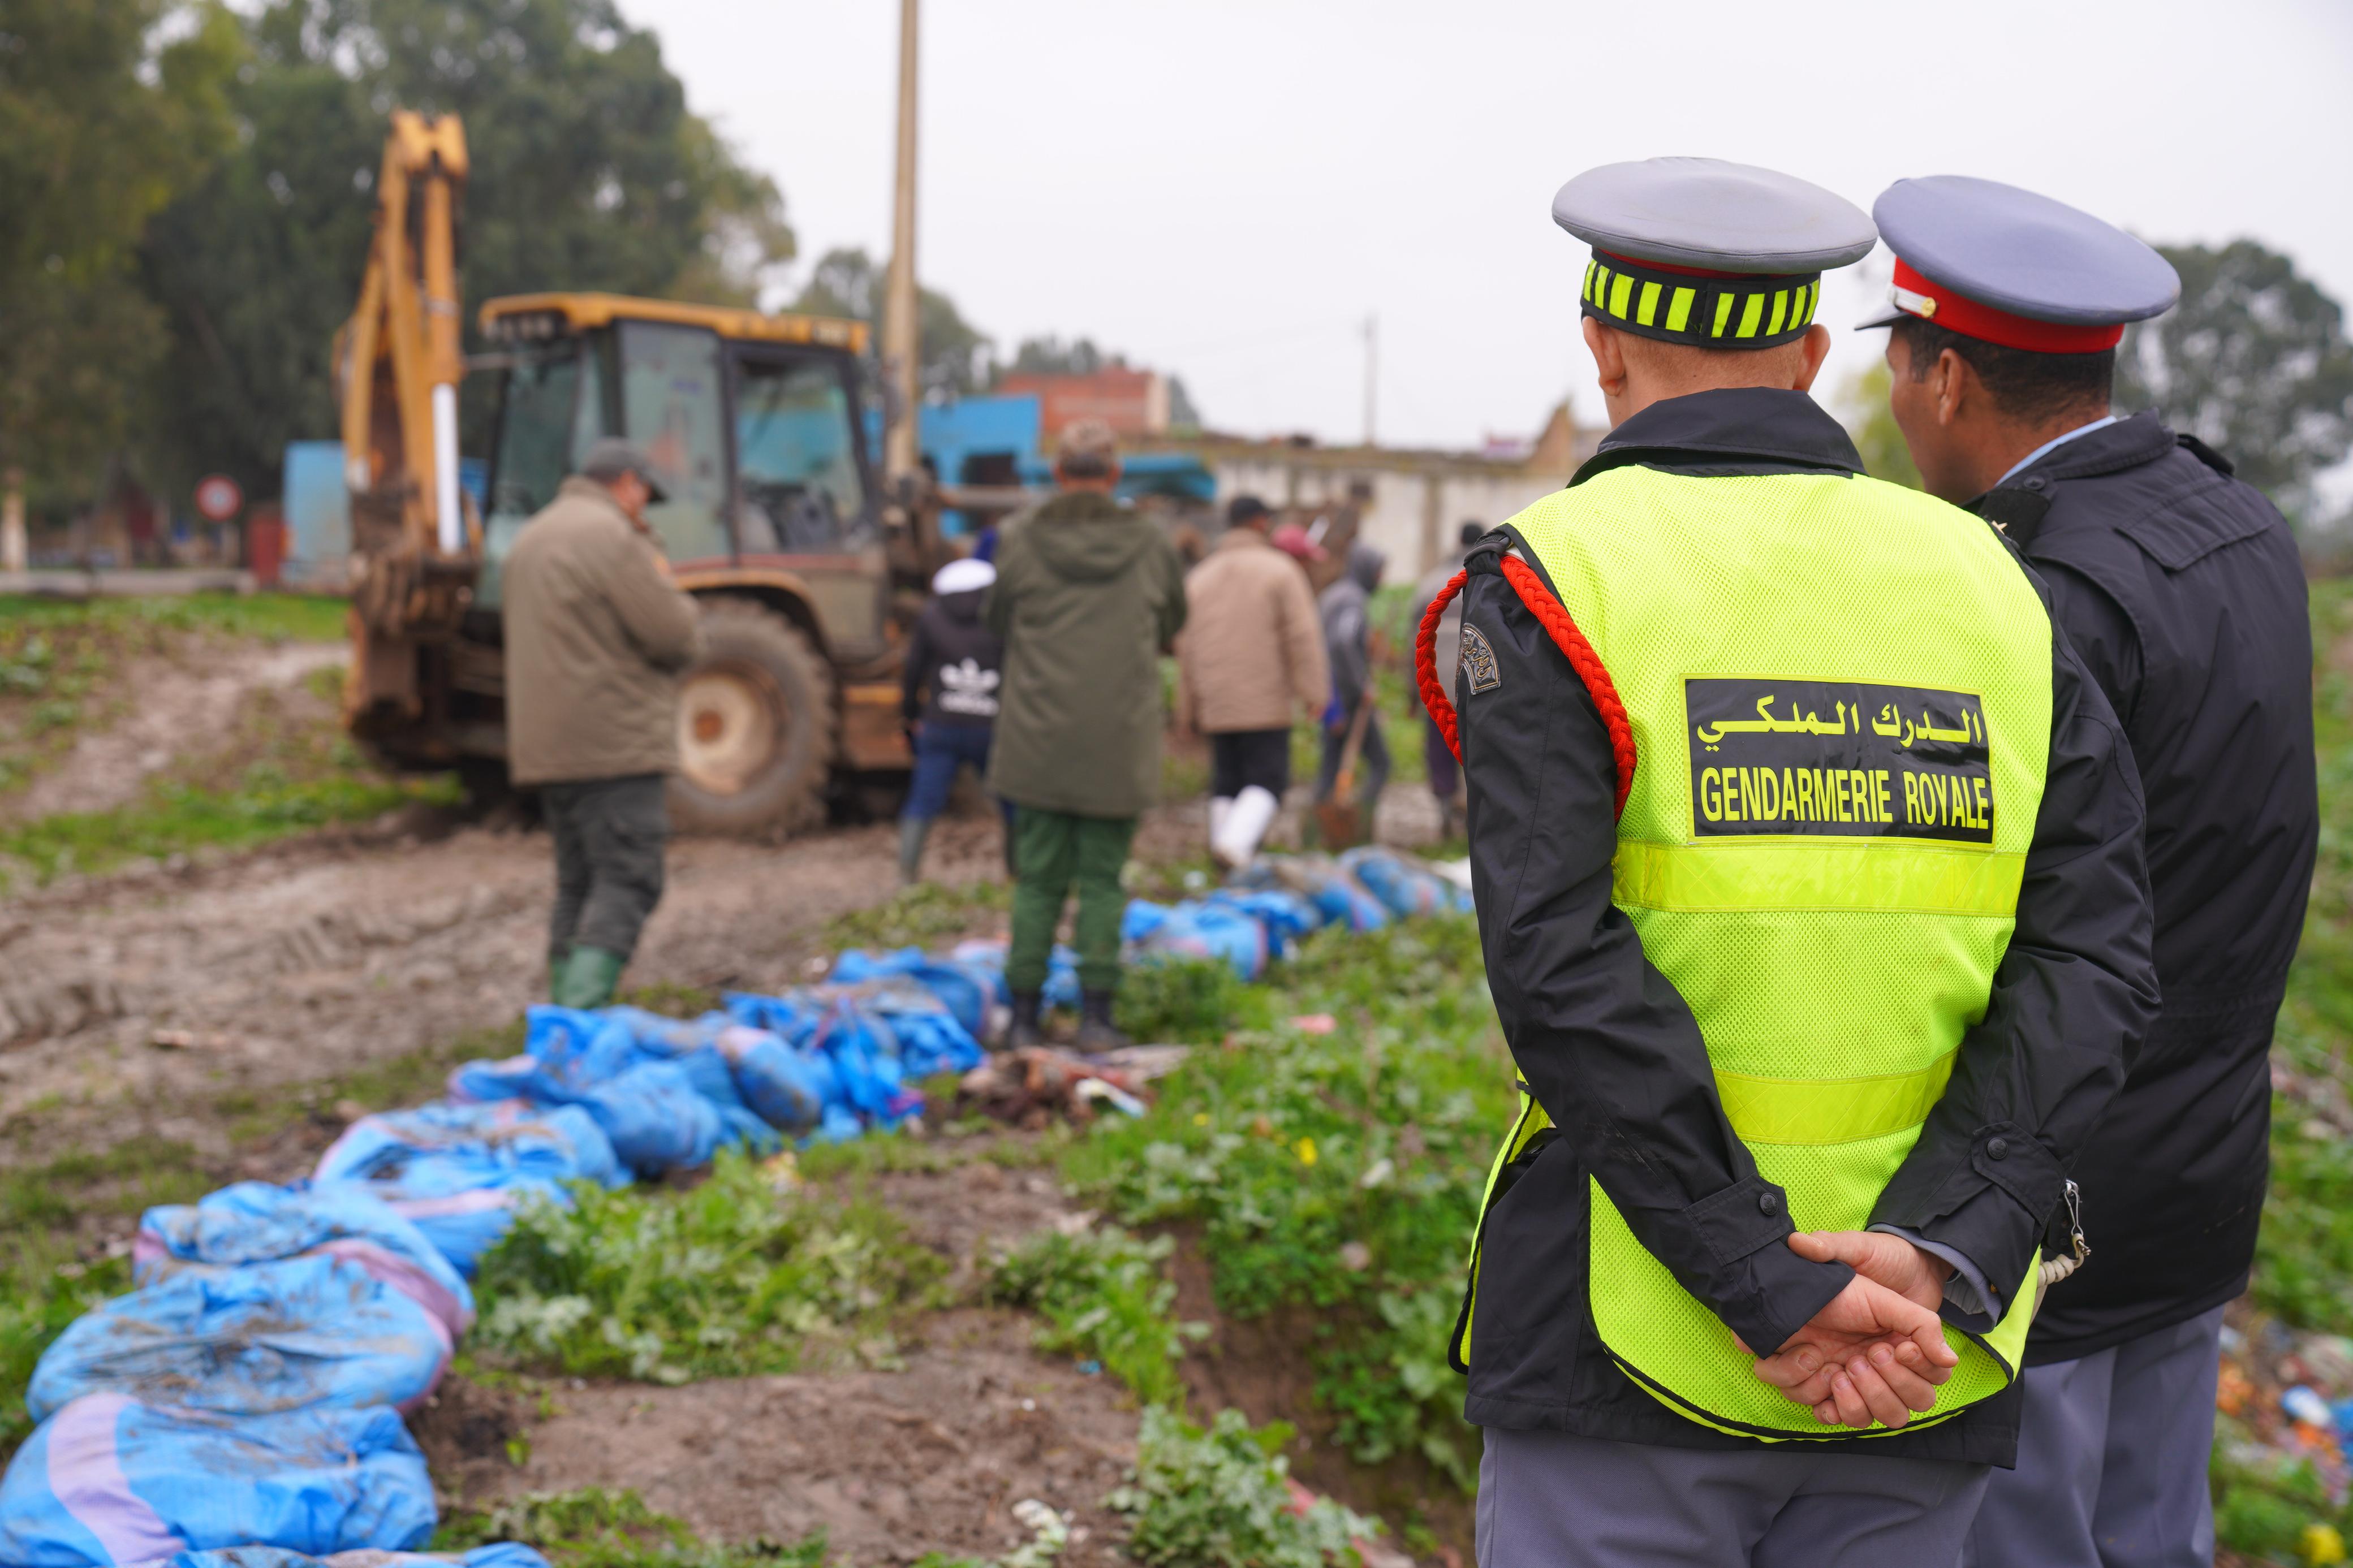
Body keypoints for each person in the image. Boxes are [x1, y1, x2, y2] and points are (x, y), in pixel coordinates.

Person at [1433, 157, 2158, 1566]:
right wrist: (1946, 1251)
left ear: (1601, 346)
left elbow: (1557, 966)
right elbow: (2093, 954)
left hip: (1628, 1342)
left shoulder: (1547, 580)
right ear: (1816, 356)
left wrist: (1763, 1280)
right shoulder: (1991, 585)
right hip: (1915, 1354)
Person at [1861, 175, 2319, 1568]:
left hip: (2040, 1205)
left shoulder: (2033, 592)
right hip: (2196, 1175)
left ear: (1946, 380)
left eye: (1891, 370)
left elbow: (1986, 925)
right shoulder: (2238, 529)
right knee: (2150, 1536)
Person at [986, 420, 1187, 1050]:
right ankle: (1096, 1017)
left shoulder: (1019, 538)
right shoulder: (1149, 544)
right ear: (1115, 474)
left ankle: (1022, 1018)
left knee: (1038, 881)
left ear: (1055, 472)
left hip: (1035, 739)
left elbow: (995, 618)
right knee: (1103, 880)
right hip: (1116, 740)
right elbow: (1174, 618)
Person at [502, 438, 704, 1009]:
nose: (643, 508)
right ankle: (579, 1018)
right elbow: (673, 633)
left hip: (547, 747)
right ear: (628, 485)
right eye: (644, 495)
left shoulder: (532, 537)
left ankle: (561, 1020)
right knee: (630, 877)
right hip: (614, 743)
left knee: (579, 882)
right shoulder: (612, 538)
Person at [1176, 494, 1330, 867]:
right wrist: (1315, 692)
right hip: (1264, 700)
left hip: (1216, 699)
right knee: (1268, 780)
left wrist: (1187, 708)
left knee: (1227, 780)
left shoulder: (1200, 576)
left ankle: (1225, 856)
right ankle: (1232, 848)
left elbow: (1186, 646)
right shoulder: (1279, 570)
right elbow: (1301, 635)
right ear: (1262, 523)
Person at [898, 555, 1013, 885]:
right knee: (1010, 801)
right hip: (990, 727)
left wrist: (910, 717)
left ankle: (906, 879)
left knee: (923, 800)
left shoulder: (931, 616)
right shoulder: (1002, 620)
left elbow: (913, 672)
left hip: (940, 725)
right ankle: (1017, 875)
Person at [1410, 520, 1488, 838]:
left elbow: (1412, 642)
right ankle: (1477, 817)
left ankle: (1445, 807)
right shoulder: (1491, 579)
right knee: (1481, 748)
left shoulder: (1431, 583)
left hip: (1437, 684)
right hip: (1483, 684)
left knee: (1440, 746)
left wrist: (1411, 691)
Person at [1315, 542, 1390, 819]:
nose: (1381, 579)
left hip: (1329, 695)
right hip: (1347, 697)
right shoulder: (1352, 600)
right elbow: (1343, 642)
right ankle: (1356, 821)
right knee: (1381, 763)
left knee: (1331, 764)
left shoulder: (1333, 594)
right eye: (1379, 572)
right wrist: (1362, 684)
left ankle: (1319, 825)